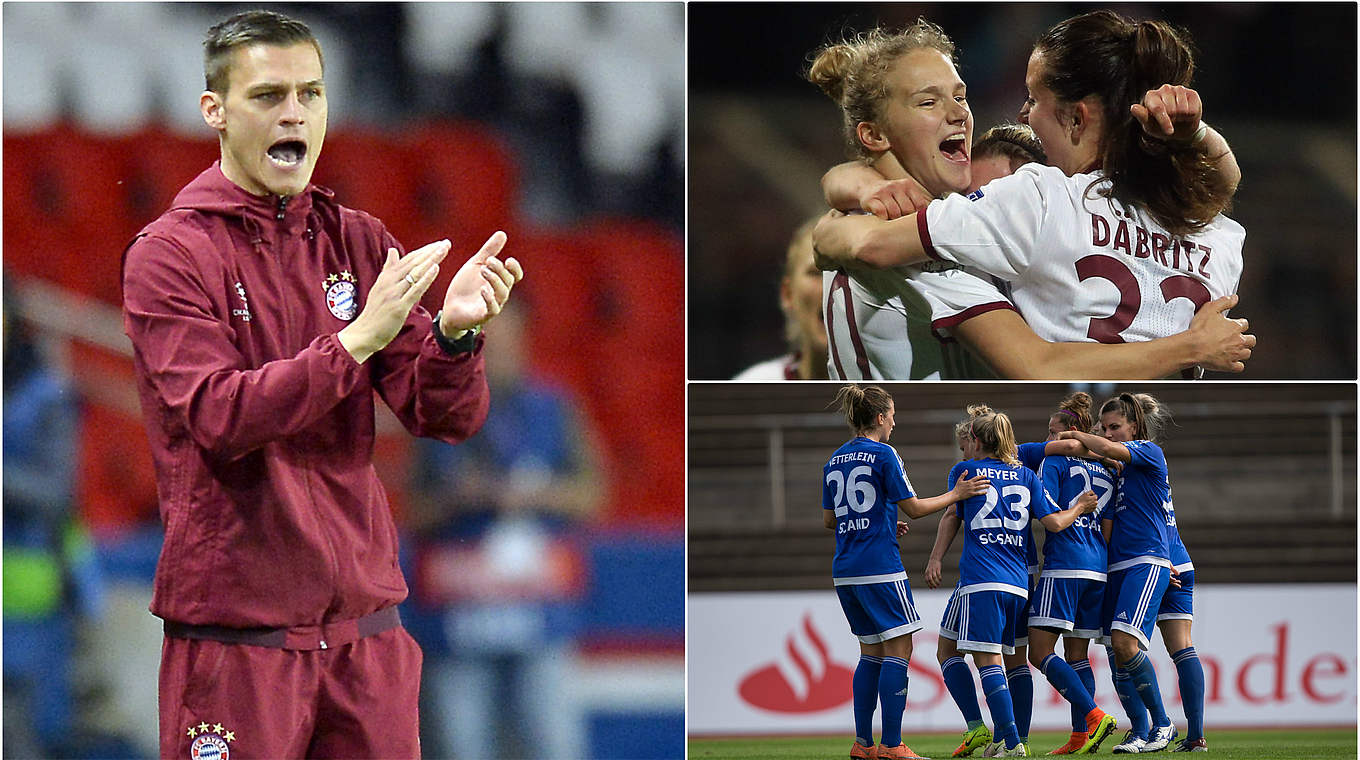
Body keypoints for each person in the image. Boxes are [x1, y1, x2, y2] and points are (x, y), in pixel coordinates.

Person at [119, 11, 523, 758]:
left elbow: (444, 417)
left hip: (366, 636)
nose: (295, 113)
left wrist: (457, 336)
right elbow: (218, 415)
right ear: (216, 111)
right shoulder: (169, 257)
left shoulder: (360, 242)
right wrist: (354, 342)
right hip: (239, 637)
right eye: (270, 95)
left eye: (311, 93)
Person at [813, 11, 1254, 380]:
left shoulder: (1036, 199)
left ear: (1077, 119)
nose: (1023, 113)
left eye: (1033, 98)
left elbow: (1037, 366)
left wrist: (839, 215)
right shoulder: (1222, 237)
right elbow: (1225, 178)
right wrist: (1193, 130)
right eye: (929, 102)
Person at [404, 299, 600, 760]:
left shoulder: (555, 408)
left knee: (553, 741)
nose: (503, 353)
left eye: (511, 339)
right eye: (490, 342)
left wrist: (538, 495)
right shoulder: (435, 409)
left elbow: (593, 495)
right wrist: (460, 498)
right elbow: (413, 511)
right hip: (459, 616)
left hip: (538, 609)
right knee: (461, 746)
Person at [823, 385, 990, 760]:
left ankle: (863, 744)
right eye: (893, 415)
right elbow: (913, 508)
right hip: (878, 566)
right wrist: (957, 494)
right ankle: (893, 745)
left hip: (845, 568)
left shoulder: (834, 459)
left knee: (869, 654)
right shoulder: (884, 453)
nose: (895, 422)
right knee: (900, 648)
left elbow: (830, 519)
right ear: (880, 417)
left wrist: (880, 521)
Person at [927, 403, 1099, 757]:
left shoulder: (965, 471)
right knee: (1015, 660)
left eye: (966, 442)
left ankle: (1008, 740)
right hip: (1021, 579)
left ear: (975, 439)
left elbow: (951, 515)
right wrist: (1081, 507)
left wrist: (934, 558)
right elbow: (1052, 522)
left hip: (982, 578)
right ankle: (1015, 737)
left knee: (984, 660)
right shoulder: (1026, 474)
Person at [1057, 393, 1181, 753]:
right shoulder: (1116, 468)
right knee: (1115, 650)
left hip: (1144, 561)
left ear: (1134, 427)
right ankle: (1140, 730)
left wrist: (1079, 435)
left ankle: (1163, 723)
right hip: (1114, 566)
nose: (1109, 434)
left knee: (1126, 642)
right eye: (1106, 428)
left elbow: (1096, 447)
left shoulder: (1147, 452)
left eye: (1116, 428)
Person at [1024, 393, 1120, 755]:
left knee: (1039, 651)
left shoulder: (1057, 461)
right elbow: (1109, 525)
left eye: (1053, 433)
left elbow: (1044, 510)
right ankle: (1081, 737)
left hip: (1064, 564)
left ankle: (1094, 716)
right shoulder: (1108, 467)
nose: (1049, 440)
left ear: (1073, 432)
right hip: (1097, 567)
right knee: (1077, 655)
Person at [733, 215, 830, 379]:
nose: (832, 288)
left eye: (847, 274)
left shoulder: (887, 389)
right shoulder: (750, 386)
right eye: (817, 273)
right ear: (788, 293)